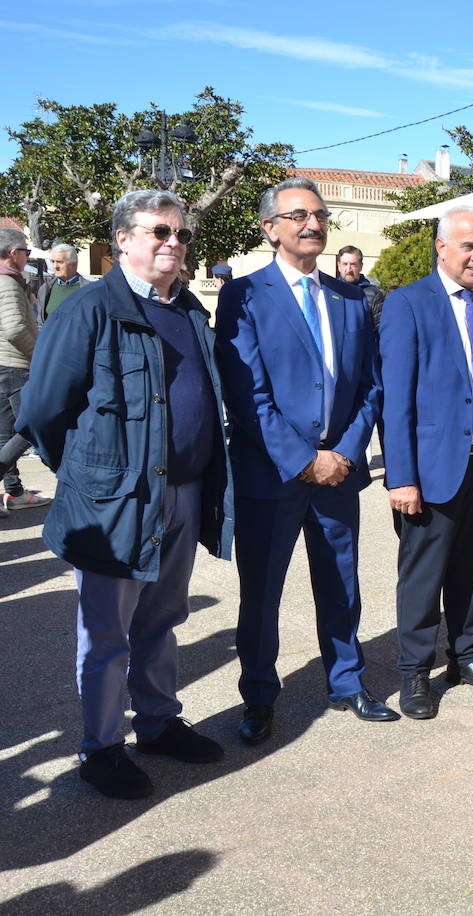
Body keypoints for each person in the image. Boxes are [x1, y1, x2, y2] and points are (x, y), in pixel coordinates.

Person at [18, 190, 234, 798]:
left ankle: (159, 724)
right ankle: (102, 748)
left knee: (163, 619)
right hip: (116, 500)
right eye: (159, 232)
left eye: (181, 234)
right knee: (108, 632)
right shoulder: (88, 310)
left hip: (185, 494)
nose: (173, 243)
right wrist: (91, 473)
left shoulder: (191, 311)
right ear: (123, 240)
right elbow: (41, 412)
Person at [216, 176, 396, 744]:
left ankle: (347, 683)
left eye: (319, 215)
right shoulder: (244, 294)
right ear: (270, 228)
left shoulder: (350, 297)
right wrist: (302, 459)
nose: (313, 224)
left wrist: (343, 452)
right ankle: (260, 698)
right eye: (298, 216)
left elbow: (370, 385)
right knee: (263, 592)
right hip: (273, 474)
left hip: (338, 473)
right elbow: (247, 396)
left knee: (341, 584)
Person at [380, 206, 473, 717]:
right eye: (468, 246)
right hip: (431, 468)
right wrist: (401, 478)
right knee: (423, 573)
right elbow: (395, 401)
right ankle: (414, 674)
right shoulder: (409, 304)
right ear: (441, 247)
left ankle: (467, 657)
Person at [0, 228, 49, 513]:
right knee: (34, 425)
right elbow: (16, 327)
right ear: (12, 254)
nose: (27, 256)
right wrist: (40, 355)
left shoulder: (12, 282)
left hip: (6, 365)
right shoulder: (7, 283)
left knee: (6, 433)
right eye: (25, 251)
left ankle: (14, 493)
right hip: (16, 366)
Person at [335, 245, 385, 330]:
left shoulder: (374, 295)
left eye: (353, 264)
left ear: (361, 266)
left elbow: (380, 330)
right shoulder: (331, 290)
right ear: (339, 266)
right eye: (345, 264)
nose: (349, 269)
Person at [36, 243, 91, 319]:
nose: (55, 266)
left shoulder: (89, 290)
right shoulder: (45, 289)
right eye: (53, 261)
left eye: (60, 262)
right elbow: (40, 321)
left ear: (74, 264)